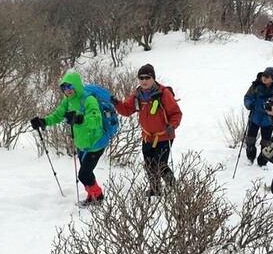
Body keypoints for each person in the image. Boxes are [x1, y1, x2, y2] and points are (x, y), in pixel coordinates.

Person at [31, 71, 106, 207]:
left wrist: (79, 119)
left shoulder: (88, 99)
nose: (67, 90)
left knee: (84, 174)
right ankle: (92, 196)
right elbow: (58, 115)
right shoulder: (67, 101)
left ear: (76, 86)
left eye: (70, 87)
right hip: (81, 142)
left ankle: (98, 196)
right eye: (64, 88)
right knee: (85, 172)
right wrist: (43, 121)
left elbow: (96, 120)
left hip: (96, 142)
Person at [113, 64, 183, 197]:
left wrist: (172, 126)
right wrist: (116, 103)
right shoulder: (137, 94)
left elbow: (176, 113)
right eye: (141, 78)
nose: (144, 81)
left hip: (164, 135)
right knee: (149, 165)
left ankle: (175, 189)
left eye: (147, 77)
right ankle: (155, 189)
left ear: (153, 78)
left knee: (161, 165)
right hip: (147, 136)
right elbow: (127, 110)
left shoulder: (163, 93)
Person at [243, 66, 273, 163]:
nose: (264, 78)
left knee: (266, 142)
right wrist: (249, 104)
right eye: (263, 75)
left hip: (269, 119)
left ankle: (263, 161)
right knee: (250, 140)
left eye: (267, 76)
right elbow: (247, 97)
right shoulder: (256, 86)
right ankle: (250, 157)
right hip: (254, 116)